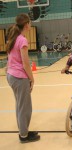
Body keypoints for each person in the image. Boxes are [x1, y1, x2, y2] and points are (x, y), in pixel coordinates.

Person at [6, 13, 40, 143]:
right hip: (19, 78)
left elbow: (10, 60)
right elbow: (26, 64)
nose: (31, 25)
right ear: (26, 25)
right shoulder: (22, 40)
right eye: (30, 23)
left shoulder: (13, 38)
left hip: (11, 76)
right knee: (25, 107)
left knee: (20, 106)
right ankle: (24, 136)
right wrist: (32, 79)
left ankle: (23, 131)